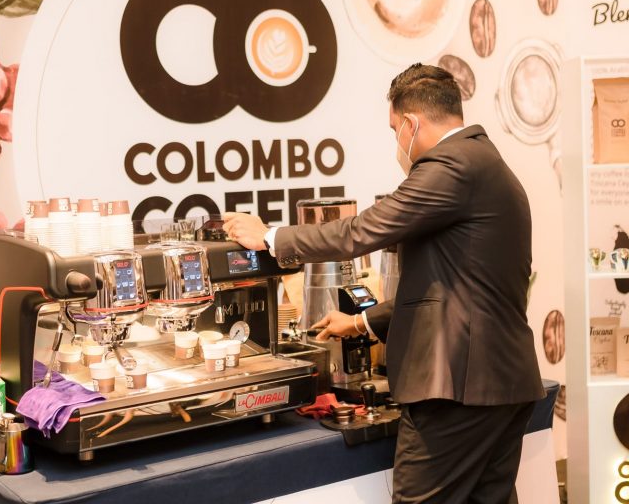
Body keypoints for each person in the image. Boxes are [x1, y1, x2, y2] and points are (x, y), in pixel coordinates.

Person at [222, 63, 544, 504]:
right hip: (501, 383)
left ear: (411, 123)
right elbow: (454, 287)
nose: (397, 142)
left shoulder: (452, 165)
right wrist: (360, 323)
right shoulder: (486, 162)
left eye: (395, 130)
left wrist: (271, 237)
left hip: (457, 390)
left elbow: (360, 231)